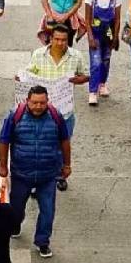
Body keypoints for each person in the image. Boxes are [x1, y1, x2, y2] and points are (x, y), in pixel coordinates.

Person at [0, 85, 71, 260]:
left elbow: (65, 141)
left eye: (42, 103)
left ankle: (42, 242)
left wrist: (67, 165)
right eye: (35, 103)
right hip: (21, 174)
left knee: (48, 211)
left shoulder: (56, 116)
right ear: (27, 101)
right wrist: (2, 165)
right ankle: (15, 226)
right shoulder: (14, 116)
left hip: (48, 175)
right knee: (16, 209)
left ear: (48, 102)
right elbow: (4, 140)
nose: (38, 106)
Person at [24, 23, 88, 188]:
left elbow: (85, 75)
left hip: (64, 111)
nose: (60, 43)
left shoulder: (76, 56)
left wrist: (76, 80)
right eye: (57, 39)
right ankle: (36, 180)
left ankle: (60, 175)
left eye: (64, 40)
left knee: (61, 145)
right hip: (41, 111)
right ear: (50, 39)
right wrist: (22, 78)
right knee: (38, 146)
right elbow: (30, 74)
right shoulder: (38, 55)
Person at [84, 0, 122, 106]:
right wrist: (90, 37)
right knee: (95, 62)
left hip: (109, 34)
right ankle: (92, 91)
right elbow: (87, 20)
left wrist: (115, 37)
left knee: (106, 60)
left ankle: (102, 84)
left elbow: (117, 20)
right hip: (95, 34)